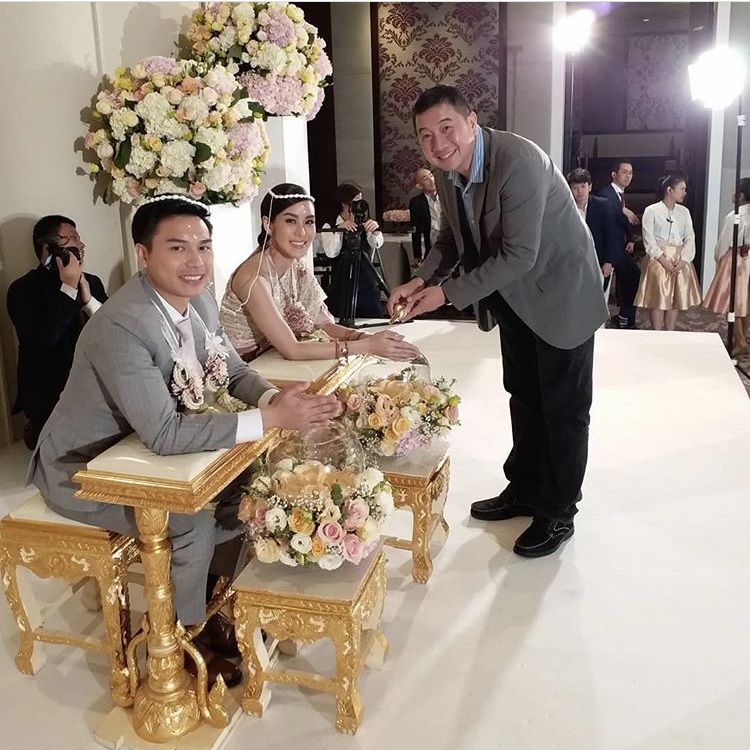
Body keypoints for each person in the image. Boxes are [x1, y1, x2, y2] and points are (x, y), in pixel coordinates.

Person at [28, 195, 341, 688]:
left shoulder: (198, 300)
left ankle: (211, 598)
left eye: (204, 246)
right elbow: (164, 433)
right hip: (82, 468)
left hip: (139, 451)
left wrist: (272, 398)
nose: (196, 261)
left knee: (248, 486)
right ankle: (183, 638)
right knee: (191, 521)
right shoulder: (122, 325)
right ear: (143, 255)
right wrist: (270, 420)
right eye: (178, 248)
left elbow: (231, 370)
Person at [388, 85, 607, 558]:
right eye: (425, 136)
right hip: (514, 298)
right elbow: (450, 240)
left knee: (564, 408)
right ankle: (525, 487)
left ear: (472, 121)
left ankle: (558, 510)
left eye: (446, 128)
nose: (437, 143)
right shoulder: (448, 170)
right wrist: (420, 279)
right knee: (524, 395)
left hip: (561, 292)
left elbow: (520, 254)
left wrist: (444, 294)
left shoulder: (519, 160)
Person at [221, 184, 419, 362]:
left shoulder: (296, 266)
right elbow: (293, 350)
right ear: (268, 224)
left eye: (309, 222)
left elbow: (322, 324)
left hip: (274, 361)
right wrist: (367, 346)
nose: (302, 232)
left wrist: (363, 337)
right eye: (290, 221)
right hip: (246, 371)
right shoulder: (254, 278)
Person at [7, 215, 107, 450]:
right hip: (50, 400)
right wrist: (68, 288)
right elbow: (43, 339)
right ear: (49, 247)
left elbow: (114, 332)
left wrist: (89, 302)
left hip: (96, 396)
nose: (81, 245)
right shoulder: (23, 289)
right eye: (72, 238)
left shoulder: (91, 282)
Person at [635, 175, 702, 330]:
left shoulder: (684, 212)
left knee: (675, 299)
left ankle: (670, 333)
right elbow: (649, 240)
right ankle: (657, 333)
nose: (685, 192)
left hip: (679, 259)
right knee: (658, 299)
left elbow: (690, 237)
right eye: (682, 189)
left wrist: (684, 260)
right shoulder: (651, 211)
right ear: (669, 190)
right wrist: (663, 260)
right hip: (659, 259)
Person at [320, 182, 385, 320]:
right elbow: (331, 253)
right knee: (340, 319)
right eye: (356, 200)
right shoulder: (330, 225)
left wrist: (375, 230)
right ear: (344, 203)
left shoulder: (365, 222)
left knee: (372, 317)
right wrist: (340, 230)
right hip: (341, 281)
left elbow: (376, 244)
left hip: (366, 280)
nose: (359, 204)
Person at [703, 178, 750, 353]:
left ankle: (740, 341)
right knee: (746, 301)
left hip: (736, 259)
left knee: (733, 302)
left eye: (734, 190)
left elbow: (724, 243)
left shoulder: (734, 216)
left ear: (741, 194)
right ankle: (741, 338)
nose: (732, 193)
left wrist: (718, 257)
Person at [597, 160, 641, 329]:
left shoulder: (620, 194)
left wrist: (630, 239)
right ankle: (624, 317)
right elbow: (607, 212)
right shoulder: (606, 193)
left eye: (630, 173)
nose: (628, 176)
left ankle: (624, 317)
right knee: (633, 274)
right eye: (624, 172)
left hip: (620, 246)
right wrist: (622, 210)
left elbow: (622, 222)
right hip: (609, 248)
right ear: (614, 174)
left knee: (631, 276)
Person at [568, 168, 619, 288]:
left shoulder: (603, 206)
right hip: (572, 263)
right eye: (575, 188)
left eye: (583, 186)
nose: (580, 191)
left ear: (590, 187)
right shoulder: (566, 209)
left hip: (598, 261)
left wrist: (609, 261)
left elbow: (612, 236)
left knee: (598, 295)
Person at [409, 167, 443, 267]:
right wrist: (417, 255)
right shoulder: (416, 202)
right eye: (425, 178)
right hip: (432, 240)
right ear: (419, 186)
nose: (431, 179)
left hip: (450, 237)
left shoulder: (446, 196)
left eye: (431, 175)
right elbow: (416, 229)